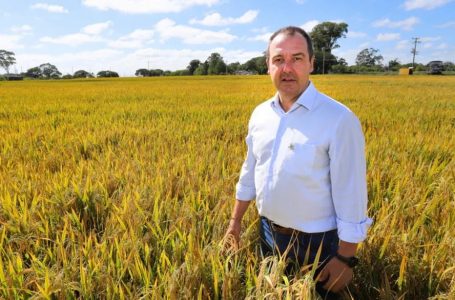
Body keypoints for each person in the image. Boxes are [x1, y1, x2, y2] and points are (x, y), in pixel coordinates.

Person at [224, 26, 372, 298]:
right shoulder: (260, 115)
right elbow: (249, 172)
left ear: (312, 64)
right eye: (279, 60)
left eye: (297, 58)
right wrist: (235, 221)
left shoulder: (339, 119)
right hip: (268, 233)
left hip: (318, 243)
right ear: (268, 66)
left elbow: (351, 193)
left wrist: (346, 258)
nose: (287, 68)